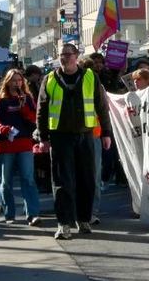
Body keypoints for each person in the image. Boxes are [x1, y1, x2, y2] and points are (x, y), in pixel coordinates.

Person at [37, 43, 113, 240]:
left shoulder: (90, 76)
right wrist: (43, 137)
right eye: (62, 55)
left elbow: (101, 106)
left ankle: (84, 219)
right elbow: (42, 110)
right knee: (62, 181)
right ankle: (64, 223)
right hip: (60, 136)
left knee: (87, 179)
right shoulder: (50, 79)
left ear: (77, 56)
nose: (64, 58)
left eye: (68, 55)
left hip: (86, 135)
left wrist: (106, 133)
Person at [0, 69, 41, 226]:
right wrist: (5, 129)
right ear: (7, 81)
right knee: (5, 182)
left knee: (28, 179)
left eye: (19, 80)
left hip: (24, 143)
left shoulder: (27, 98)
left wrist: (23, 106)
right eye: (13, 80)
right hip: (5, 145)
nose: (17, 83)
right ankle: (9, 214)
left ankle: (32, 214)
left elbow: (34, 118)